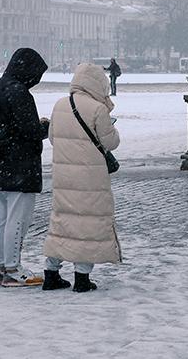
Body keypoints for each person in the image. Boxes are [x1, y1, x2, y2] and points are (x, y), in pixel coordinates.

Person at [43, 62, 121, 293]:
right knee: (88, 224)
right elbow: (110, 142)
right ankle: (82, 278)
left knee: (62, 222)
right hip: (90, 178)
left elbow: (53, 138)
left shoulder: (60, 104)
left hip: (64, 176)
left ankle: (51, 273)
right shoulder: (97, 109)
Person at [0, 47, 50, 288]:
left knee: (1, 219)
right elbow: (29, 131)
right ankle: (13, 269)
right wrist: (44, 127)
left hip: (1, 162)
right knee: (17, 219)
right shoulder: (19, 92)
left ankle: (1, 267)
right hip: (21, 165)